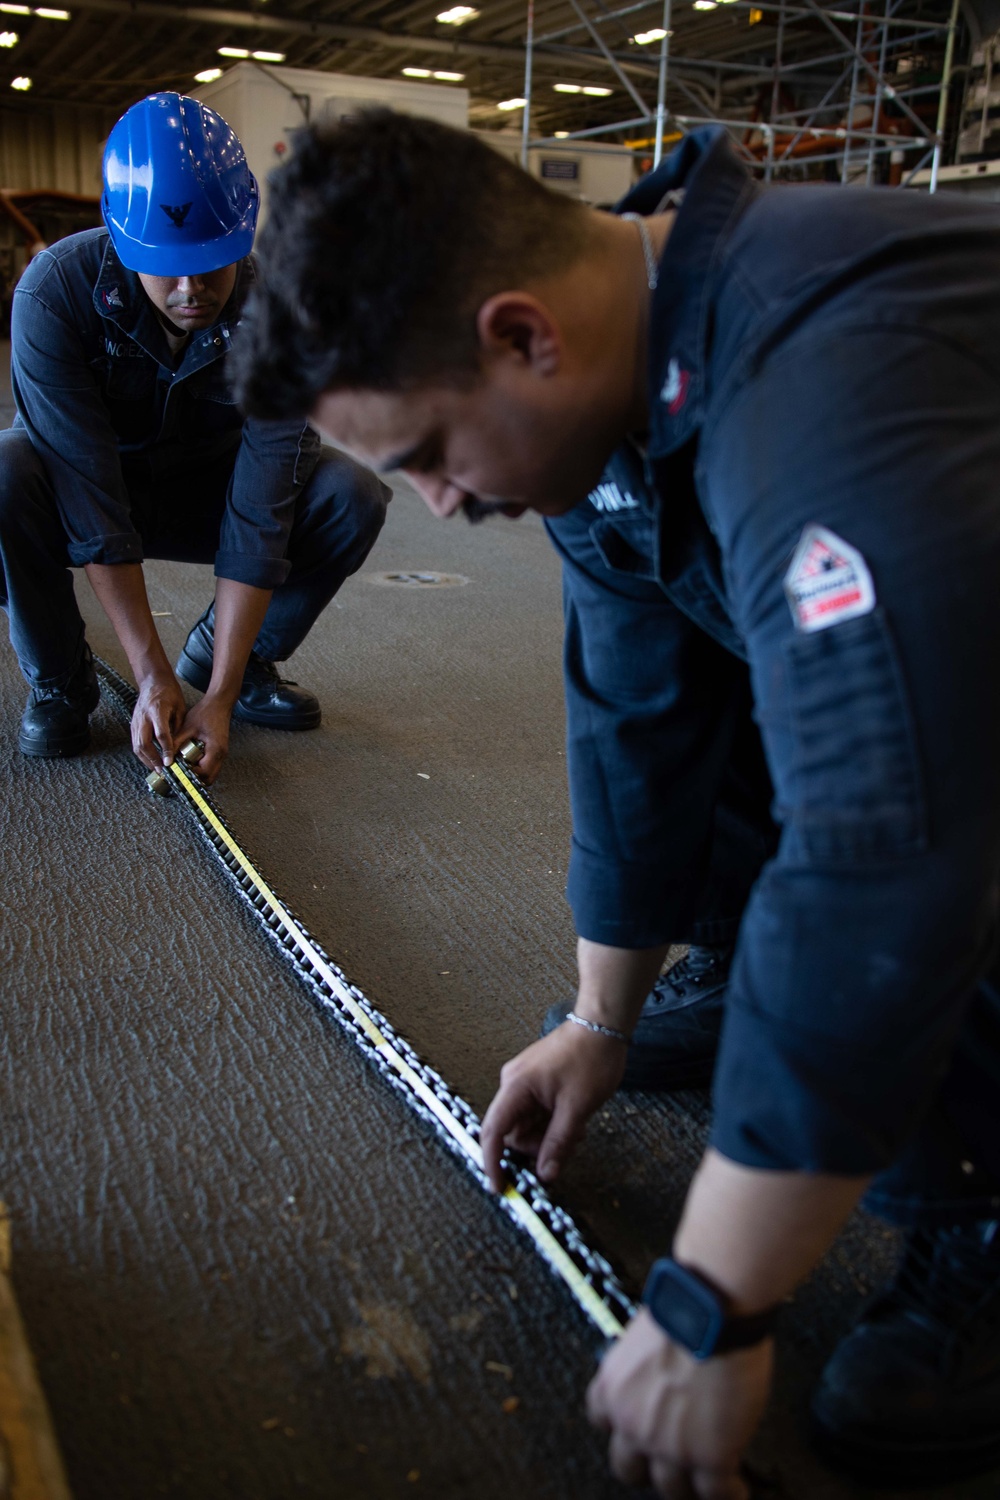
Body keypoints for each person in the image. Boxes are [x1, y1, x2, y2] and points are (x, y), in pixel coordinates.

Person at [230, 110, 1000, 1494]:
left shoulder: (820, 383)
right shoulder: (622, 379)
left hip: (954, 751)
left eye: (424, 454)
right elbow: (636, 715)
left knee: (887, 816)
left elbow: (887, 849)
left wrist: (716, 1293)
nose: (436, 507)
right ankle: (768, 1015)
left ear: (525, 336)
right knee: (700, 724)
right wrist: (601, 1016)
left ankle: (986, 1207)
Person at [0, 92, 389, 784]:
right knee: (4, 472)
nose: (191, 287)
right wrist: (147, 672)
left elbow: (262, 507)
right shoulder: (52, 294)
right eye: (166, 263)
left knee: (349, 495)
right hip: (89, 493)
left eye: (212, 259)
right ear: (123, 241)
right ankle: (61, 677)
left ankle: (228, 660)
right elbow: (88, 499)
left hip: (204, 494)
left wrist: (220, 694)